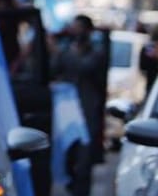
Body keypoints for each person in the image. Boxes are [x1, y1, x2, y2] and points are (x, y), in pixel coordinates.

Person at [51, 14, 108, 196]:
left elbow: (86, 67)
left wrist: (67, 52)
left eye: (79, 28)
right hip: (68, 112)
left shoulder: (96, 52)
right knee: (68, 156)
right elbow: (53, 69)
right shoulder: (66, 50)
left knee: (84, 161)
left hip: (88, 112)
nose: (75, 32)